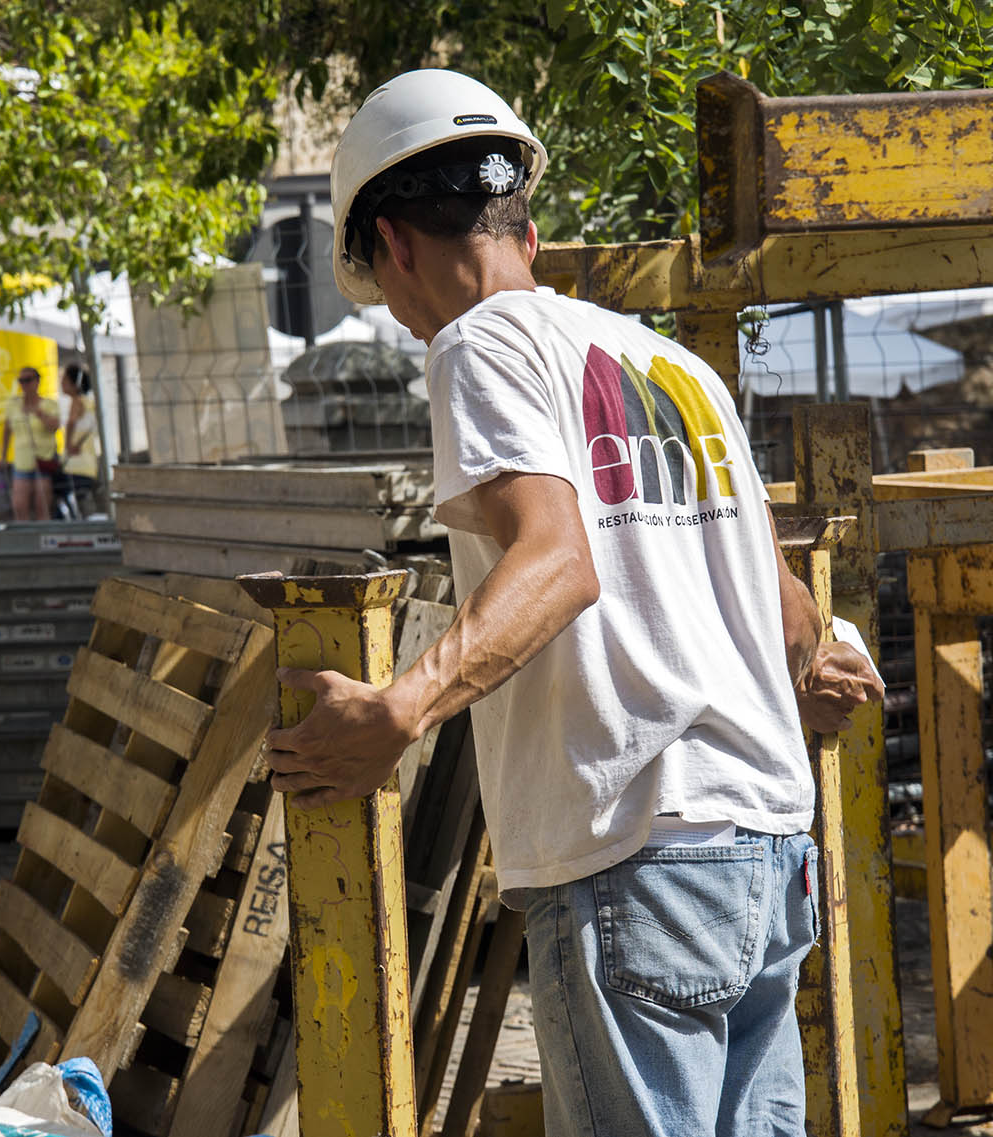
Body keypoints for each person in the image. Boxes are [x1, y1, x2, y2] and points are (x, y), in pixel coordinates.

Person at [265, 70, 886, 1137]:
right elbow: (782, 605)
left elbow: (556, 564)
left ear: (394, 246)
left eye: (386, 287)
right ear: (530, 231)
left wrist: (400, 712)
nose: (408, 323)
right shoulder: (675, 369)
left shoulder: (477, 344)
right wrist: (821, 659)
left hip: (636, 854)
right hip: (769, 851)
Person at [0, 366, 61, 520]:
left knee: (43, 507)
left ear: (37, 381)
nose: (24, 384)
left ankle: (45, 540)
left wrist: (39, 413)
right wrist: (3, 456)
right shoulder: (13, 405)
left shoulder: (49, 404)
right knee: (19, 506)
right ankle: (24, 541)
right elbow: (6, 431)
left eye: (28, 380)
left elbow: (55, 427)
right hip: (21, 461)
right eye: (21, 381)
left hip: (43, 460)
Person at [60, 363, 101, 518]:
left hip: (75, 464)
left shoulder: (77, 401)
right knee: (84, 504)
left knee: (74, 507)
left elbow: (71, 422)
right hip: (89, 463)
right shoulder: (91, 402)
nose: (61, 383)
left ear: (74, 383)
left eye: (64, 379)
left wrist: (68, 444)